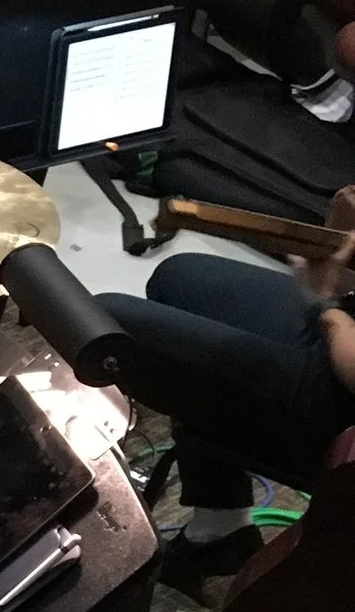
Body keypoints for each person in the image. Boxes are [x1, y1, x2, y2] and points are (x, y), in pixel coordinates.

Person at [97, 228, 355, 585]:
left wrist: (326, 307)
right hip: (345, 325)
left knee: (108, 323)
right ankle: (221, 525)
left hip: (341, 408)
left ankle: (215, 533)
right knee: (178, 278)